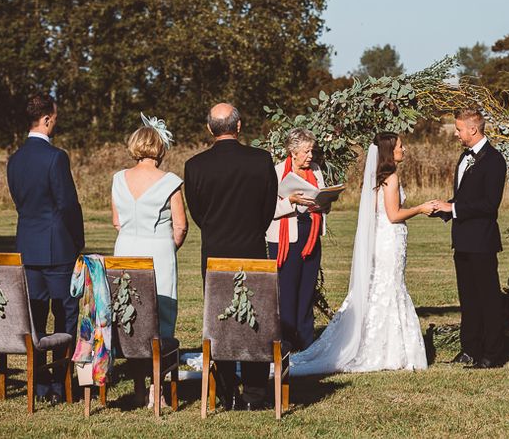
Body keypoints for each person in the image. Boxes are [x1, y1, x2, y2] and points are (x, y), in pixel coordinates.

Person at [290, 132, 431, 375]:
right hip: (389, 239)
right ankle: (386, 350)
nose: (404, 149)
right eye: (400, 146)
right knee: (390, 287)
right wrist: (420, 208)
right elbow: (394, 214)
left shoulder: (377, 178)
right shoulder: (391, 178)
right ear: (390, 151)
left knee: (382, 288)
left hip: (383, 240)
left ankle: (382, 345)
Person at [184, 103, 277, 410]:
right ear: (238, 127)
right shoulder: (262, 161)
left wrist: (216, 231)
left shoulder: (194, 166)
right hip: (252, 249)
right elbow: (268, 210)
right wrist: (251, 231)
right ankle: (254, 393)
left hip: (214, 252)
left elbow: (197, 213)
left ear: (210, 129)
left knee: (220, 320)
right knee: (256, 320)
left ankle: (226, 392)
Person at [6, 93, 85, 404]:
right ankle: (63, 382)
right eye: (56, 117)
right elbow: (68, 205)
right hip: (58, 249)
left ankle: (39, 384)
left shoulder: (14, 160)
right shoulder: (56, 157)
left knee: (34, 317)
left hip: (27, 245)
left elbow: (20, 202)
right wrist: (78, 241)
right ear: (47, 119)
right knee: (66, 314)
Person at [427, 107, 507, 369]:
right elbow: (464, 198)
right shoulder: (464, 157)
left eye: (459, 129)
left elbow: (488, 204)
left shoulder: (494, 160)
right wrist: (444, 207)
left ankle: (492, 353)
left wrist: (454, 208)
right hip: (462, 239)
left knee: (488, 298)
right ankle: (469, 349)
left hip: (482, 241)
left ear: (473, 129)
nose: (457, 134)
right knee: (468, 298)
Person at [112, 114, 187, 339]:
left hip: (125, 247)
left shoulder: (118, 178)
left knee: (125, 300)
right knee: (161, 303)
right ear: (161, 147)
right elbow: (181, 226)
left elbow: (116, 221)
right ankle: (158, 351)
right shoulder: (170, 181)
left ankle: (128, 345)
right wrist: (169, 245)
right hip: (159, 250)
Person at [266, 128, 326, 351]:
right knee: (287, 290)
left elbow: (321, 198)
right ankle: (286, 341)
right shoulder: (276, 172)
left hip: (310, 236)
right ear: (293, 151)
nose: (310, 156)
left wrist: (324, 203)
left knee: (307, 289)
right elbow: (267, 209)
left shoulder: (316, 171)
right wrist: (289, 201)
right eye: (306, 151)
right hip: (285, 240)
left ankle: (306, 340)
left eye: (311, 150)